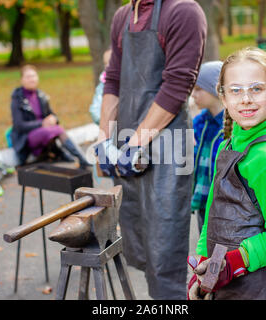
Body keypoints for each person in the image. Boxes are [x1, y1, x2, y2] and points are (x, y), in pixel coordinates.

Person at [94, 0, 207, 299]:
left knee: (165, 253)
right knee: (140, 245)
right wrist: (105, 139)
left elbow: (178, 84)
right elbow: (113, 80)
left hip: (169, 151)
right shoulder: (122, 16)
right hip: (130, 147)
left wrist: (134, 144)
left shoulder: (183, 12)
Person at [188, 47, 266, 300]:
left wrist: (233, 262)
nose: (245, 99)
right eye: (235, 90)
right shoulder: (226, 145)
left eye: (256, 88)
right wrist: (202, 268)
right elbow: (211, 216)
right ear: (222, 97)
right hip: (225, 286)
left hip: (263, 290)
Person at [10, 65, 90, 168]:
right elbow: (18, 125)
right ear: (22, 80)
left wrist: (54, 119)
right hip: (26, 136)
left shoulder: (41, 96)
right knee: (57, 130)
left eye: (33, 76)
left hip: (45, 132)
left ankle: (78, 158)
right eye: (28, 77)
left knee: (56, 129)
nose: (31, 79)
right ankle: (81, 158)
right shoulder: (17, 99)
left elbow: (53, 116)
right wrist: (42, 123)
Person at [191, 61, 224, 235]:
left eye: (198, 89)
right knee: (206, 247)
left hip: (224, 205)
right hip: (203, 200)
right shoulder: (199, 122)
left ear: (215, 89)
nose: (193, 95)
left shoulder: (233, 126)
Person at [89, 49, 112, 125]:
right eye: (105, 63)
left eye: (111, 62)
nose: (108, 66)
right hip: (110, 127)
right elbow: (95, 110)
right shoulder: (102, 86)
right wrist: (105, 121)